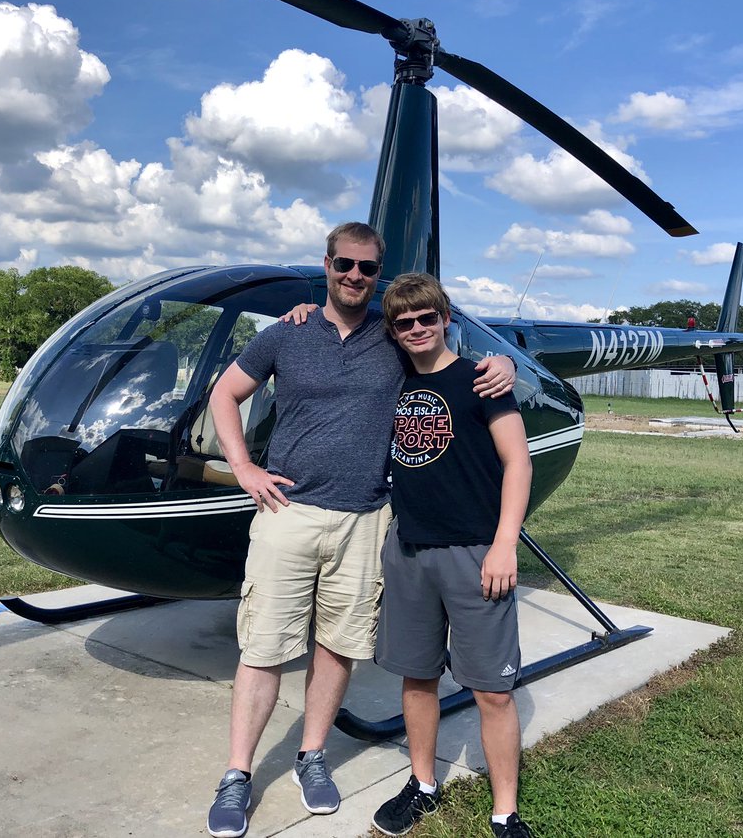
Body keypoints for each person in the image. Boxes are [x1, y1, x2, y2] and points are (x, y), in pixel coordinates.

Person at [204, 223, 517, 838]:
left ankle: (312, 755)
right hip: (286, 514)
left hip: (368, 520)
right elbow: (225, 393)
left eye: (367, 268)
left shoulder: (392, 333)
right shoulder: (286, 334)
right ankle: (238, 774)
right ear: (326, 265)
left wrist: (502, 358)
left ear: (378, 274)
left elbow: (451, 352)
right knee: (263, 648)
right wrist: (242, 466)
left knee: (339, 644)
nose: (354, 276)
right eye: (344, 265)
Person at [371, 273, 534, 838]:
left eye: (426, 318)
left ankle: (505, 809)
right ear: (392, 331)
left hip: (475, 551)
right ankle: (423, 785)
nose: (416, 329)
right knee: (416, 677)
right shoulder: (387, 380)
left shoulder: (482, 381)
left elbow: (518, 462)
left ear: (445, 319)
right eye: (403, 322)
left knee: (491, 688)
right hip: (409, 549)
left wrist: (505, 543)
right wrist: (299, 309)